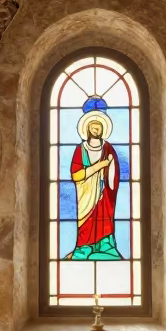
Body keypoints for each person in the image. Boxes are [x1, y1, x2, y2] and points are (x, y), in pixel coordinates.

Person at [67, 99, 121, 260]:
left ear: (103, 129)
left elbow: (114, 173)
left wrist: (109, 167)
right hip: (85, 193)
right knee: (85, 220)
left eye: (98, 126)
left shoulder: (108, 148)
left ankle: (105, 246)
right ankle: (84, 247)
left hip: (104, 191)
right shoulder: (80, 149)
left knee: (105, 217)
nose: (96, 129)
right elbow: (76, 175)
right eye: (93, 126)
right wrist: (100, 165)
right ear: (87, 129)